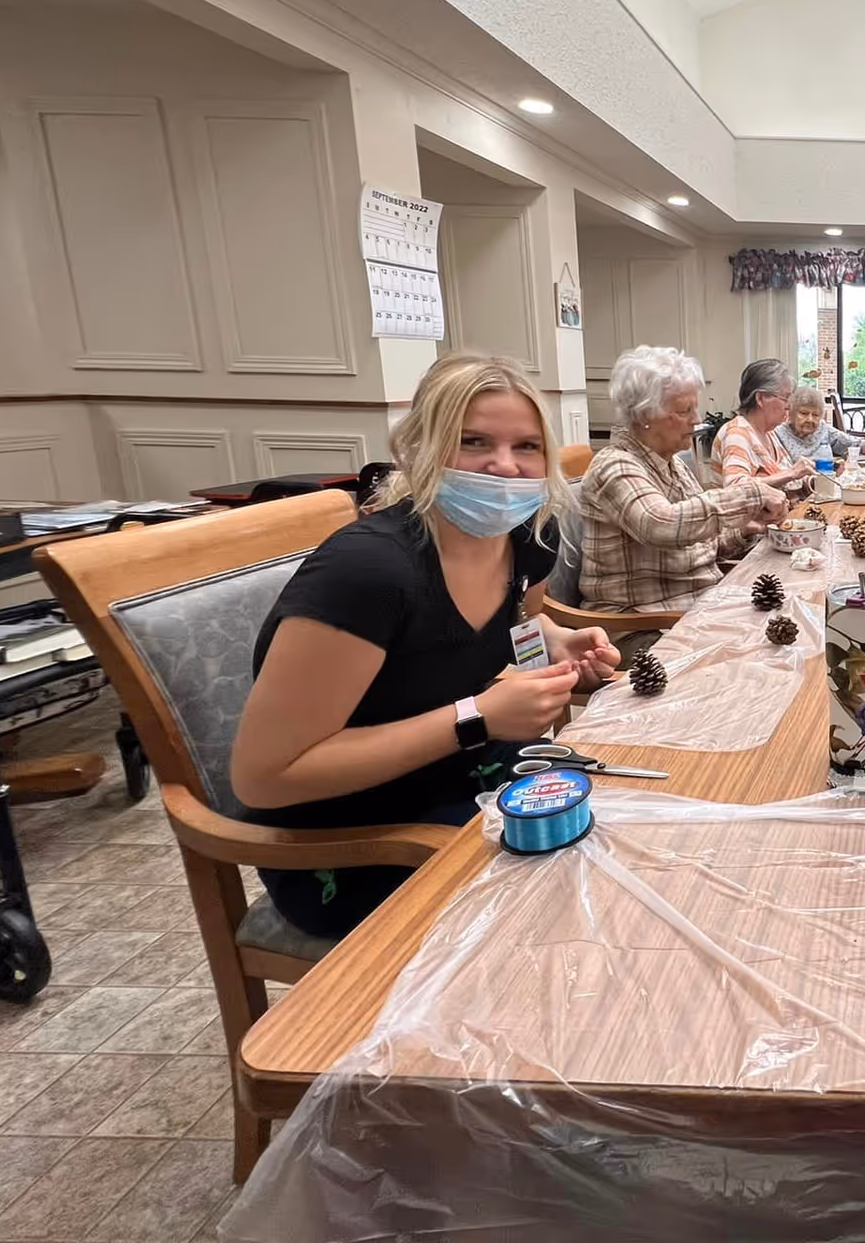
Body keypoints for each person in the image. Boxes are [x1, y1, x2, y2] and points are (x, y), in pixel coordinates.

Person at [231, 353, 623, 940]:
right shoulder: (368, 574)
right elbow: (265, 777)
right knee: (573, 917)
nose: (505, 467)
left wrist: (560, 643)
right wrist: (475, 719)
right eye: (473, 442)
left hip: (467, 779)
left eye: (526, 447)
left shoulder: (523, 539)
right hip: (354, 840)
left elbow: (516, 626)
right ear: (419, 449)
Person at [578, 345, 789, 613]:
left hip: (696, 605)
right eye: (684, 411)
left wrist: (744, 529)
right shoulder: (615, 465)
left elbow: (696, 543)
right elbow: (662, 525)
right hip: (645, 623)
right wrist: (752, 493)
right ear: (644, 415)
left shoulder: (672, 463)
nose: (697, 420)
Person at [714, 359, 820, 488]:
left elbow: (785, 482)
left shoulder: (769, 433)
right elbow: (736, 488)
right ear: (760, 398)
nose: (789, 406)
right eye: (785, 398)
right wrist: (792, 472)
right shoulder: (737, 434)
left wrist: (817, 480)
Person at [773, 384, 865, 466]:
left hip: (828, 482)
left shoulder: (822, 428)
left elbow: (852, 445)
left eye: (816, 415)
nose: (810, 419)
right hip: (798, 490)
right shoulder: (778, 434)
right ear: (791, 413)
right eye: (804, 413)